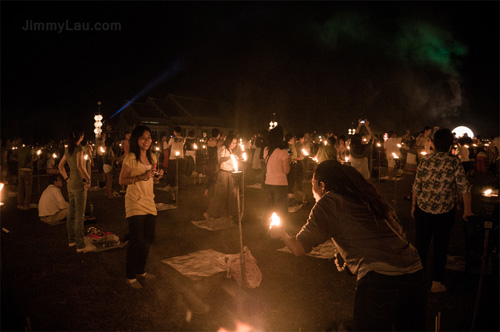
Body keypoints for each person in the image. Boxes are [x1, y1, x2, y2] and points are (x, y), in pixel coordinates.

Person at [269, 160, 425, 330]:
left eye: (312, 184)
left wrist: (281, 232)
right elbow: (386, 234)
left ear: (321, 185)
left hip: (379, 280)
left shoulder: (328, 203)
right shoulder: (366, 197)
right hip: (414, 272)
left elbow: (298, 248)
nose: (312, 189)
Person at [412, 128, 473, 293]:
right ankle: (436, 282)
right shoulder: (454, 162)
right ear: (450, 144)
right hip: (445, 212)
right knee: (441, 246)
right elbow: (464, 187)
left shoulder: (425, 161)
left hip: (423, 209)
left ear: (433, 143)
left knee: (421, 245)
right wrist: (467, 210)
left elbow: (417, 186)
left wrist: (413, 206)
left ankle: (418, 279)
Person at [119, 125, 164, 289]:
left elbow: (152, 179)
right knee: (137, 240)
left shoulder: (152, 157)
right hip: (134, 202)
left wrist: (157, 176)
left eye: (149, 137)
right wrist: (141, 176)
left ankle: (140, 271)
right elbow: (122, 180)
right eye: (143, 137)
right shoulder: (130, 158)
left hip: (149, 201)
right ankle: (130, 276)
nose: (147, 140)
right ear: (136, 140)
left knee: (149, 238)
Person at [58, 126, 93, 253]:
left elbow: (60, 166)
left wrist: (66, 179)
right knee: (79, 215)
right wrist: (88, 179)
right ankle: (80, 244)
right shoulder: (78, 148)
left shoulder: (68, 150)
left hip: (70, 184)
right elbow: (79, 166)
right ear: (81, 137)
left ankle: (71, 240)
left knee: (71, 213)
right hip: (79, 184)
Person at [203, 134, 237, 221]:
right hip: (223, 173)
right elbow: (220, 160)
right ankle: (209, 213)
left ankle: (227, 213)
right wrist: (230, 157)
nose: (234, 145)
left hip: (230, 174)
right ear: (229, 141)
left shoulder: (230, 150)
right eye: (233, 142)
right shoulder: (222, 148)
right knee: (220, 194)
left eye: (235, 143)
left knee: (230, 194)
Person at [264, 126, 290, 220]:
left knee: (270, 209)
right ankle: (280, 231)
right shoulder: (283, 152)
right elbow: (286, 170)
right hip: (280, 184)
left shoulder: (266, 150)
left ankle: (270, 230)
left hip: (268, 182)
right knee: (281, 211)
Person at [13, 139, 38, 210]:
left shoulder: (19, 150)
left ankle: (20, 203)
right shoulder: (30, 150)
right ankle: (26, 205)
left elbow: (12, 156)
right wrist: (31, 162)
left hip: (20, 170)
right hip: (28, 170)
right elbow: (37, 157)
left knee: (20, 187)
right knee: (28, 188)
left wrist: (18, 161)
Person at [166, 126, 185, 202]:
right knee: (178, 174)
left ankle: (173, 195)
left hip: (173, 158)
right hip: (180, 157)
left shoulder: (172, 139)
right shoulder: (183, 139)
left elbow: (168, 146)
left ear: (175, 132)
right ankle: (176, 192)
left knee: (172, 175)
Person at [204, 128, 222, 197]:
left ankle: (206, 191)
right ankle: (217, 192)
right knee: (218, 176)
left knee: (211, 177)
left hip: (209, 161)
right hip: (216, 161)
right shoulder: (218, 143)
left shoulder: (209, 142)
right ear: (218, 135)